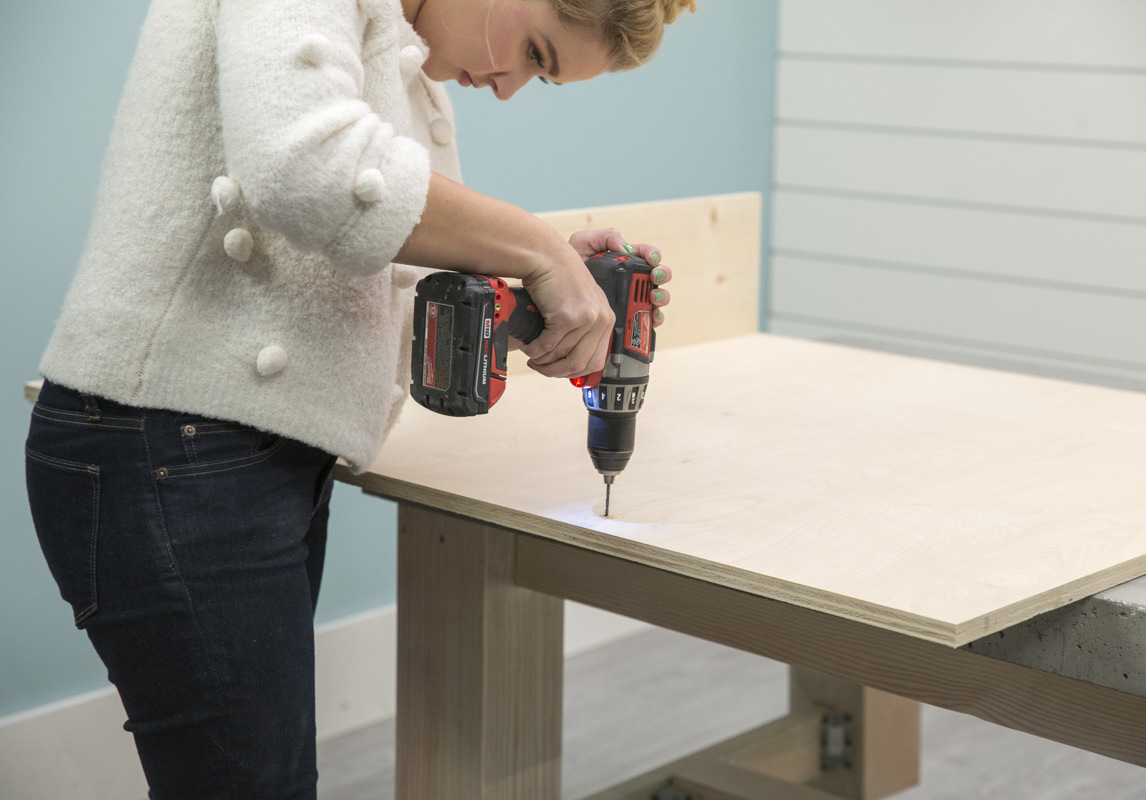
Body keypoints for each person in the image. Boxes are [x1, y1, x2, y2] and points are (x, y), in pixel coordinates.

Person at [24, 0, 691, 797]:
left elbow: (375, 278)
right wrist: (539, 246)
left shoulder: (404, 62)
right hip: (167, 443)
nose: (510, 88)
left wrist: (537, 297)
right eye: (537, 51)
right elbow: (306, 170)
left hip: (247, 454)